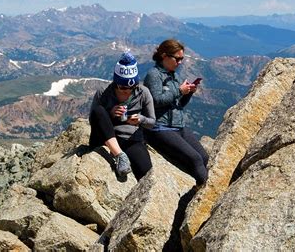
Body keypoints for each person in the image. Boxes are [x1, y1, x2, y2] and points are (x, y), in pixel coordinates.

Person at [144, 39, 209, 185]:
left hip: (178, 125)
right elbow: (156, 101)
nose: (180, 62)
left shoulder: (174, 76)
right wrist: (179, 90)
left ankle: (200, 185)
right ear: (164, 56)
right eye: (177, 59)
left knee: (204, 157)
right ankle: (205, 193)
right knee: (195, 159)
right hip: (159, 127)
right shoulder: (154, 75)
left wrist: (188, 93)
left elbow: (179, 104)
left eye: (182, 59)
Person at [89, 52, 155, 180]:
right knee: (99, 111)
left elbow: (152, 122)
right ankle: (119, 155)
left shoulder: (143, 93)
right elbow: (93, 119)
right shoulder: (103, 93)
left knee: (146, 171)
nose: (127, 90)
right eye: (123, 87)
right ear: (116, 82)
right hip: (104, 137)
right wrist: (111, 113)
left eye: (131, 87)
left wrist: (140, 120)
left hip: (129, 138)